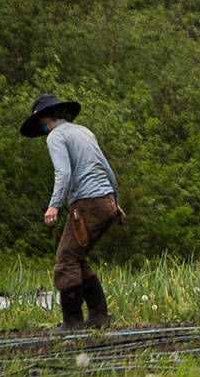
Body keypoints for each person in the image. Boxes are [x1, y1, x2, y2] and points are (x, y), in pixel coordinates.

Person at [20, 93, 125, 330]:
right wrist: (115, 203)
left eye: (42, 124)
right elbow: (107, 169)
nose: (43, 128)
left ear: (45, 120)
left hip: (87, 203)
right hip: (105, 201)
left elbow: (63, 172)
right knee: (76, 258)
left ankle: (72, 322)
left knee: (66, 260)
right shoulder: (84, 132)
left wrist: (54, 205)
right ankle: (99, 316)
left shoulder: (56, 136)